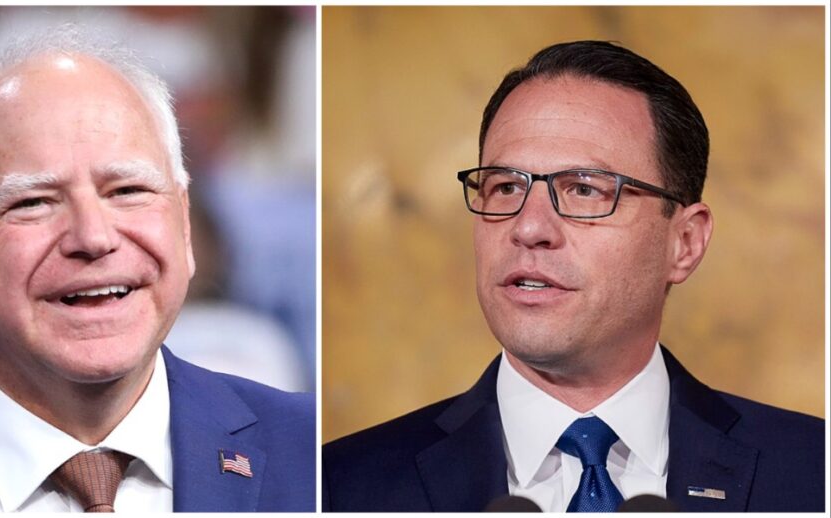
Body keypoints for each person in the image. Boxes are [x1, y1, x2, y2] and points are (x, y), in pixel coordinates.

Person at [0, 25, 315, 512]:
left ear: (184, 227)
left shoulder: (321, 459)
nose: (93, 238)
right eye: (34, 202)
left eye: (127, 191)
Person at [322, 41, 824, 512]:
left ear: (685, 243)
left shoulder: (811, 473)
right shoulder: (341, 487)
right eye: (503, 187)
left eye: (584, 190)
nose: (530, 227)